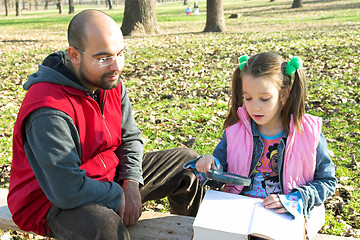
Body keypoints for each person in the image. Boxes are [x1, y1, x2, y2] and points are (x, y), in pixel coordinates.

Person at [8, 9, 204, 240]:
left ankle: (196, 235)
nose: (116, 66)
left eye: (120, 54)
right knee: (104, 227)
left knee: (187, 163)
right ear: (74, 55)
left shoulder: (109, 82)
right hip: (49, 200)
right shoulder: (48, 108)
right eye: (104, 58)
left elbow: (130, 138)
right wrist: (118, 195)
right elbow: (66, 189)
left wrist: (130, 183)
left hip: (107, 176)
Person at [194, 52, 337, 239]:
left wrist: (296, 199)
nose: (255, 107)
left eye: (264, 99)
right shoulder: (235, 131)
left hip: (285, 215)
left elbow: (327, 182)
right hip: (237, 213)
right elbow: (219, 172)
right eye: (248, 98)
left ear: (284, 93)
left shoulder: (309, 134)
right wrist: (210, 165)